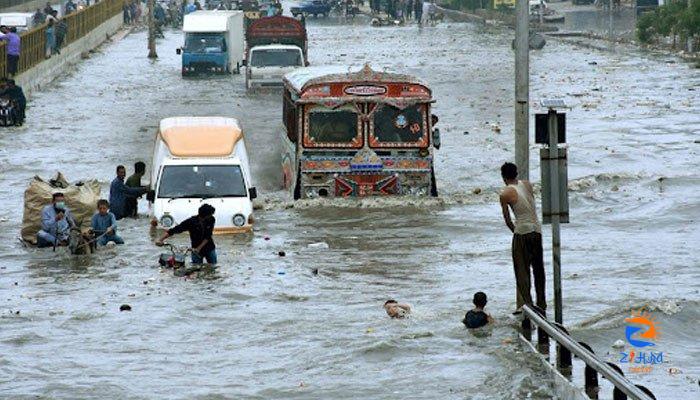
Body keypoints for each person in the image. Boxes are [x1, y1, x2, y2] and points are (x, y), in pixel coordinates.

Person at [499, 162, 546, 314]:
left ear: (503, 177)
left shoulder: (505, 194)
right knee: (538, 269)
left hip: (522, 232)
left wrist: (516, 231)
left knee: (522, 272)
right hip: (537, 229)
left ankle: (528, 306)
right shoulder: (527, 185)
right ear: (517, 173)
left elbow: (507, 220)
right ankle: (542, 303)